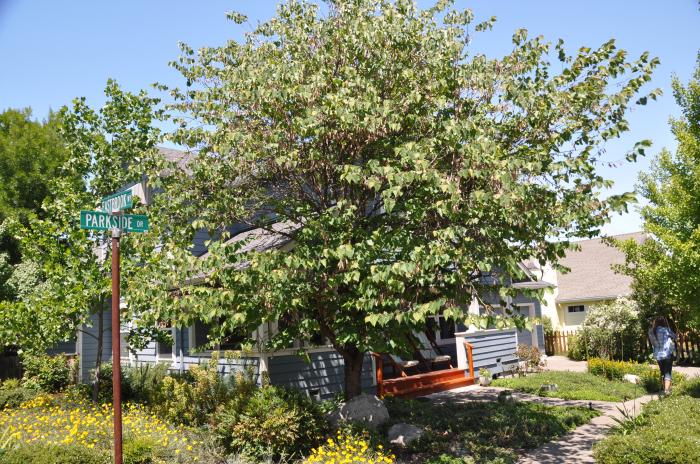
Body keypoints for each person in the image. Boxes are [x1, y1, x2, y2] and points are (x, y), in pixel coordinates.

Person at [648, 316, 677, 395]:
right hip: (667, 353)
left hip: (658, 355)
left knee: (663, 372)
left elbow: (652, 343)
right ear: (663, 322)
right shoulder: (666, 330)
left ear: (655, 322)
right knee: (668, 372)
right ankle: (666, 391)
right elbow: (675, 337)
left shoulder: (651, 331)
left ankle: (664, 390)